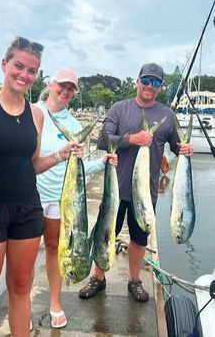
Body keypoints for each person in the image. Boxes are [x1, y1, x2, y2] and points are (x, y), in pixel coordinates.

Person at [0, 39, 83, 337]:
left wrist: (61, 154)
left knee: (21, 288)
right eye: (18, 66)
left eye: (32, 70)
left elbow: (30, 165)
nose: (24, 74)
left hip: (28, 211)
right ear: (4, 65)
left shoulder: (37, 115)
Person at [79, 63, 194, 302]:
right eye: (146, 80)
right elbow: (103, 140)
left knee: (139, 239)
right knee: (104, 234)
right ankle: (98, 278)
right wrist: (133, 139)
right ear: (137, 81)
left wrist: (185, 149)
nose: (149, 86)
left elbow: (175, 146)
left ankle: (134, 280)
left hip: (145, 192)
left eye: (155, 82)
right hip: (116, 189)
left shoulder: (168, 115)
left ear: (161, 87)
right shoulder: (119, 109)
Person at [35, 68, 118, 328]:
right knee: (21, 254)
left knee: (53, 249)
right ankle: (20, 304)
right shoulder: (32, 113)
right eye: (63, 85)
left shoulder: (73, 125)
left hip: (61, 199)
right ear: (51, 84)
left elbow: (82, 168)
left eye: (71, 88)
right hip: (28, 196)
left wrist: (102, 162)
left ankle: (55, 303)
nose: (66, 91)